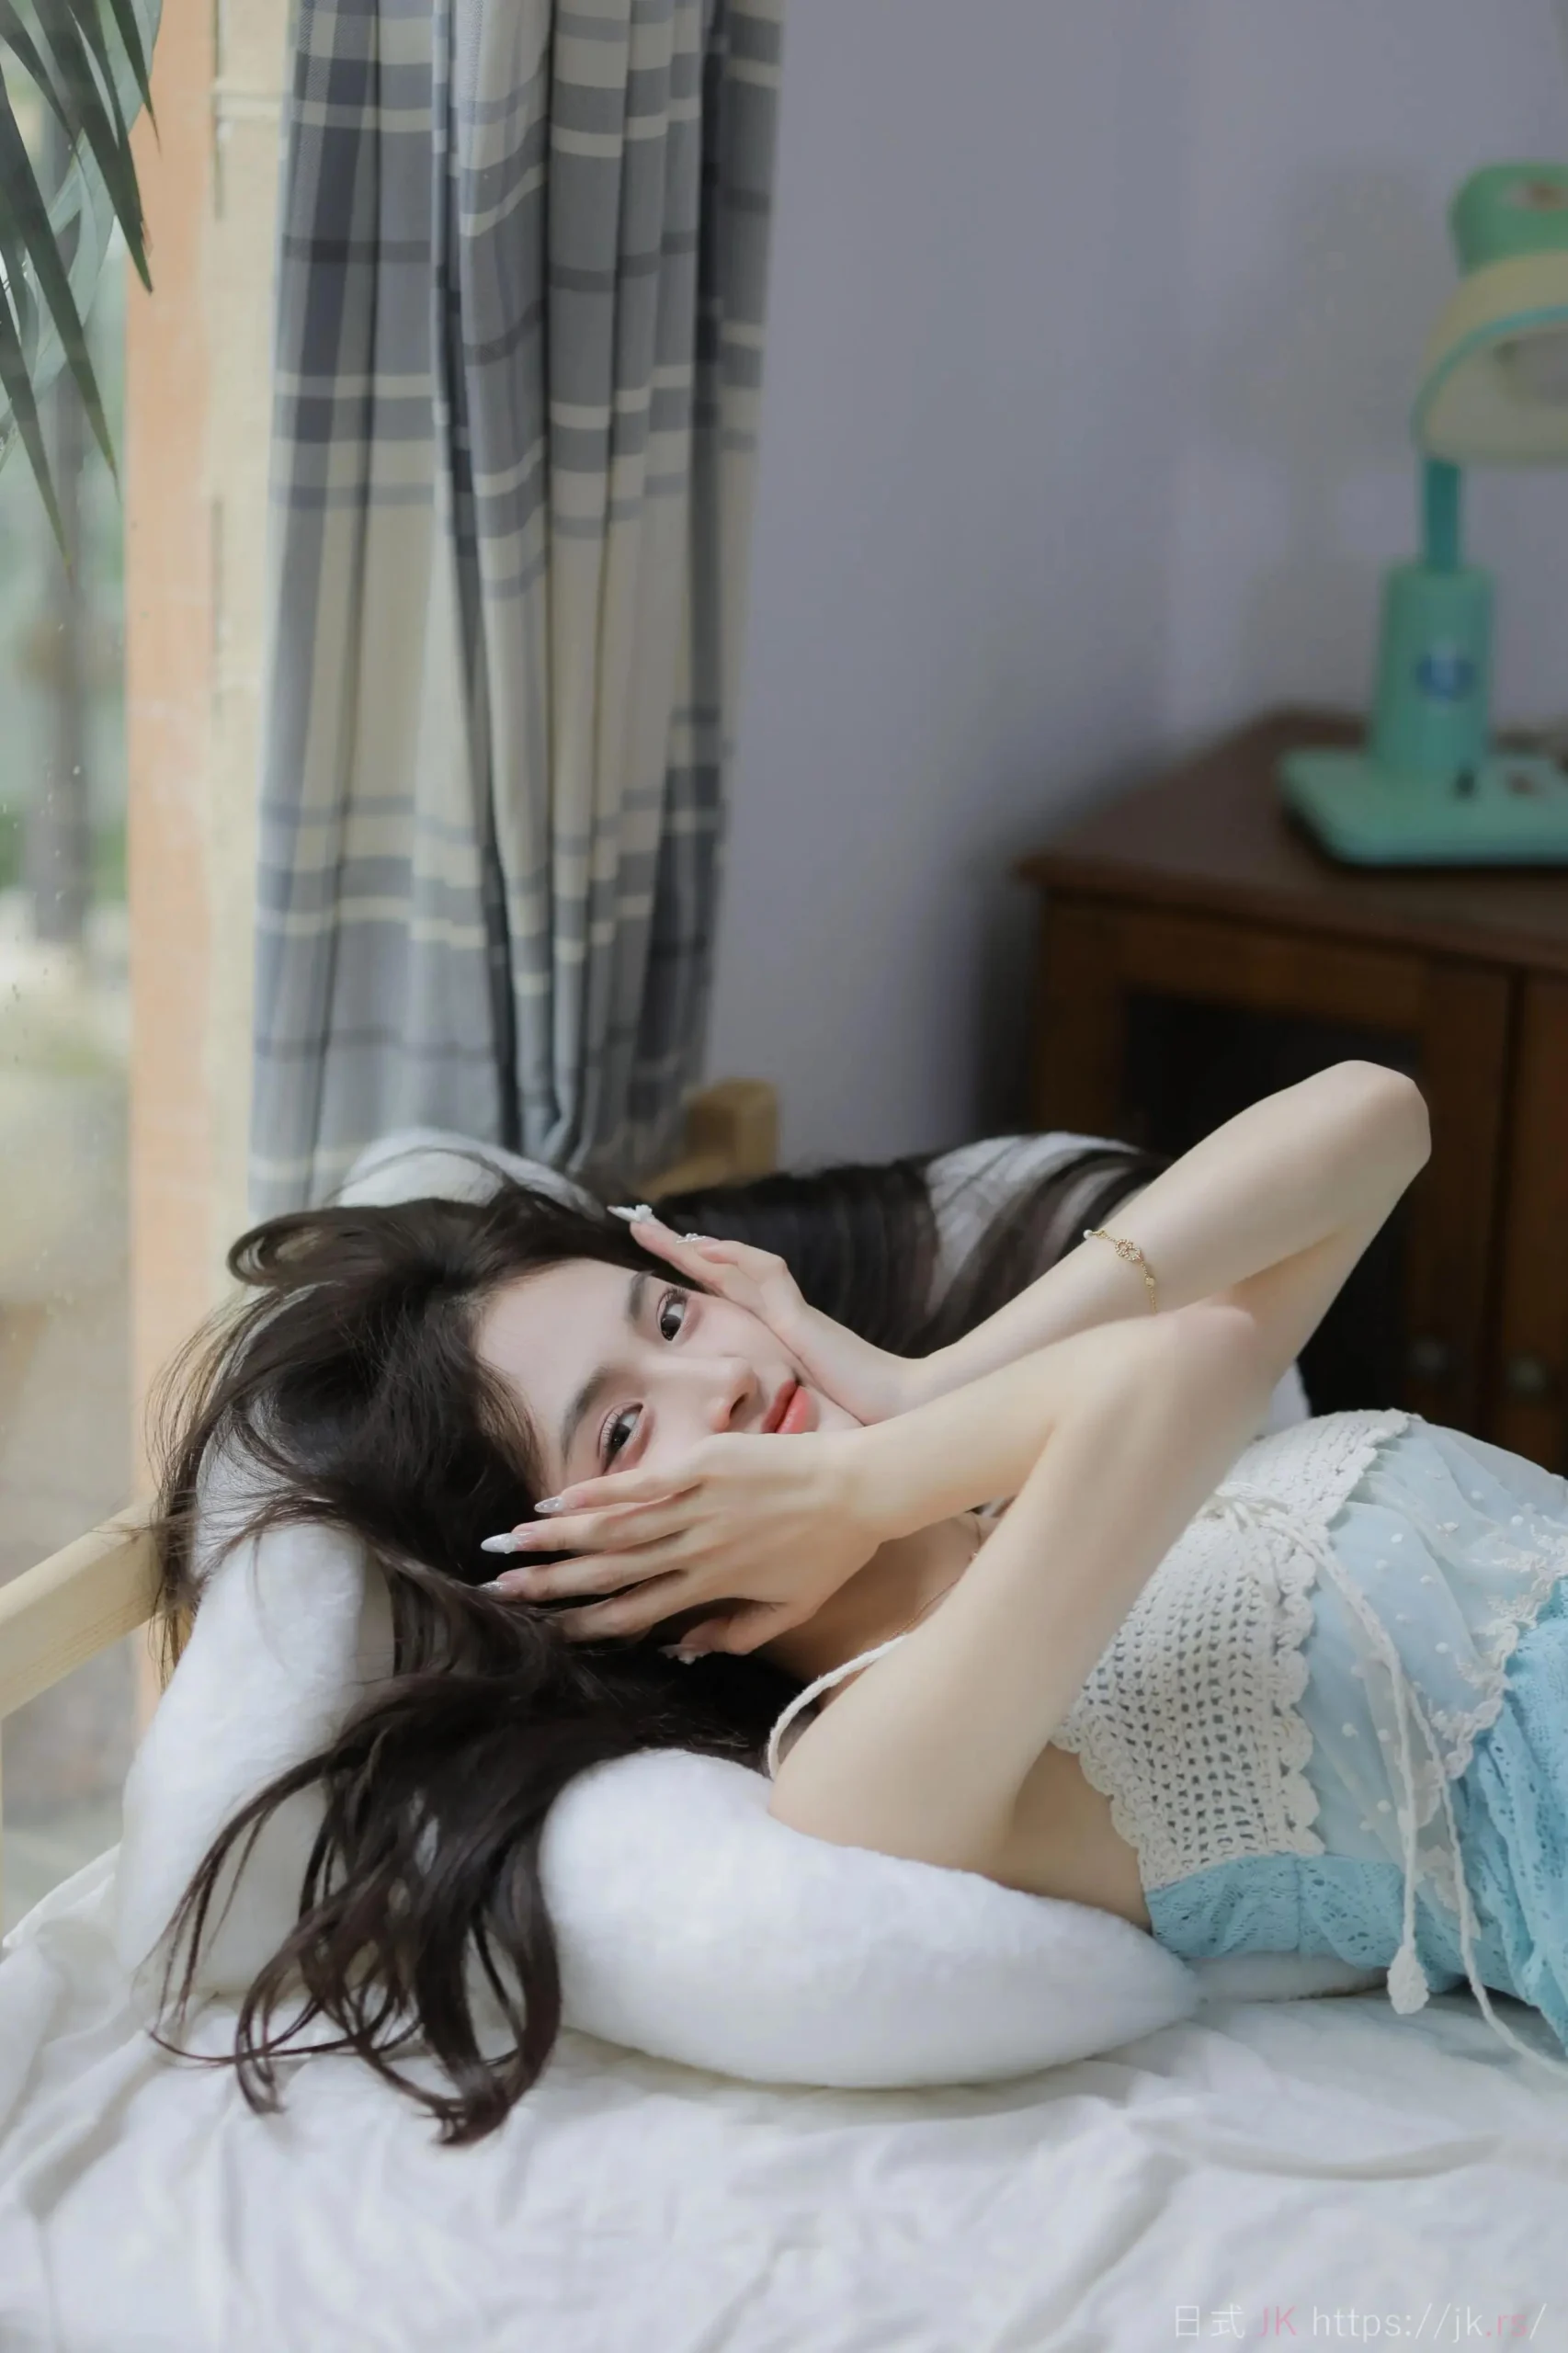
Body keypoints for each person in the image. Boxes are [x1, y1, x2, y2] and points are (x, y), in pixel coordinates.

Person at [149, 1062, 1568, 2146]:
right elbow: (1173, 1376)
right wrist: (866, 1479)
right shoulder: (861, 1767)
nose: (718, 1381)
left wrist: (920, 1391)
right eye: (623, 1431)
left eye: (671, 1315)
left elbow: (1371, 1119)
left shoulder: (1009, 1479)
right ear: (573, 1587)